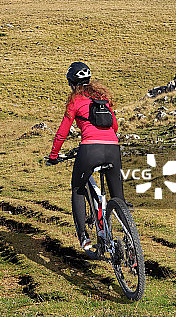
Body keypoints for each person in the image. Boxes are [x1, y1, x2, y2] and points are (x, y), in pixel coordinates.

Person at [45, 61, 124, 253]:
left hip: (89, 150)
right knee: (118, 198)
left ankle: (84, 237)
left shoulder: (75, 100)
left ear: (72, 83)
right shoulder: (102, 98)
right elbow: (114, 126)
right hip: (113, 149)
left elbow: (62, 132)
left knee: (78, 189)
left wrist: (53, 155)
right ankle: (130, 240)